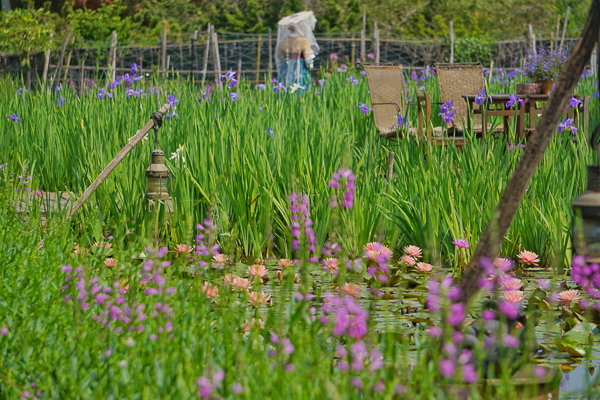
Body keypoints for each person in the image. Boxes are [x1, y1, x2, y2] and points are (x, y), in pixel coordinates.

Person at [275, 12, 319, 95]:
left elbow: (279, 56)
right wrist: (310, 66)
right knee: (300, 85)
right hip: (300, 66)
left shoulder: (284, 41)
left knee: (286, 84)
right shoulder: (302, 40)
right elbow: (308, 57)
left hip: (286, 66)